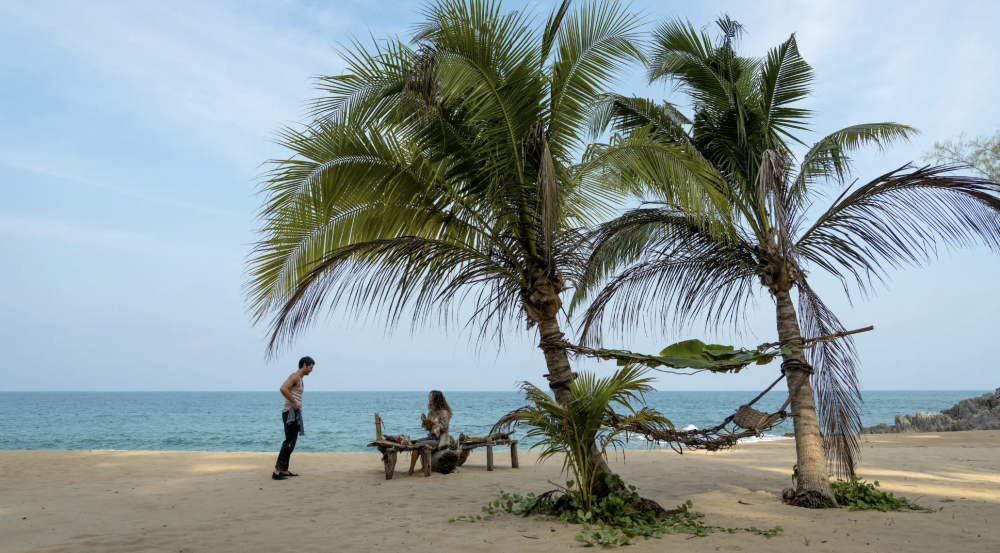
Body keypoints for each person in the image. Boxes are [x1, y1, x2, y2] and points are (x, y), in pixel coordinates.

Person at [272, 356, 314, 480]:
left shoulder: (300, 379)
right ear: (304, 365)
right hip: (290, 412)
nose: (311, 370)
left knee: (293, 442)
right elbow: (282, 388)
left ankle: (284, 469)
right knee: (289, 442)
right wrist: (294, 402)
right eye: (310, 367)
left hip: (295, 413)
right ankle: (277, 471)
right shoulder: (295, 376)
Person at [408, 390, 452, 475]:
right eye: (429, 397)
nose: (429, 399)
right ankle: (411, 469)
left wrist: (433, 423)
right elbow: (429, 428)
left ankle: (424, 467)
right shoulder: (431, 412)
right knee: (417, 443)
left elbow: (444, 427)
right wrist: (425, 421)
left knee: (421, 445)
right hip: (431, 437)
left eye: (431, 397)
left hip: (440, 440)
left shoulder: (444, 412)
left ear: (436, 399)